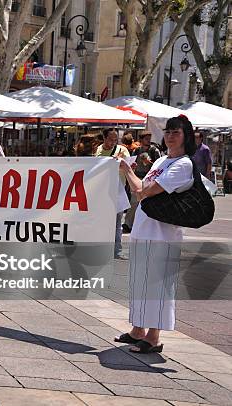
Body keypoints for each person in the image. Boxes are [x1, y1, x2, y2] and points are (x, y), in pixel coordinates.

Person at [115, 115, 196, 354]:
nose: (170, 135)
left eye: (176, 132)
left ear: (186, 136)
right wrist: (131, 174)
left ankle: (153, 337)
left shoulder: (184, 164)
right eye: (168, 131)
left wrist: (128, 170)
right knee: (140, 283)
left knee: (157, 287)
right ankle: (138, 330)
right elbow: (142, 187)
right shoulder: (161, 162)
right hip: (145, 229)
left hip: (163, 235)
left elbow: (142, 191)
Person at [95, 128, 130, 259]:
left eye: (116, 139)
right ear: (104, 138)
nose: (113, 142)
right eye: (110, 139)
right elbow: (97, 165)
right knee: (103, 222)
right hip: (102, 191)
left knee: (116, 223)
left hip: (118, 190)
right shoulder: (99, 150)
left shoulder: (122, 150)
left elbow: (128, 165)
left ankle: (117, 250)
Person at [124, 132, 161, 232]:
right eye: (146, 139)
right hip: (137, 177)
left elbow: (159, 166)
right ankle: (128, 224)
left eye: (149, 138)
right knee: (134, 202)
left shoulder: (154, 151)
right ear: (141, 140)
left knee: (147, 202)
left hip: (149, 180)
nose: (149, 141)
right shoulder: (136, 150)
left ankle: (144, 225)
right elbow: (131, 163)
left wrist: (150, 163)